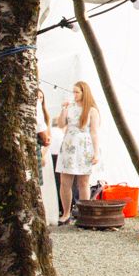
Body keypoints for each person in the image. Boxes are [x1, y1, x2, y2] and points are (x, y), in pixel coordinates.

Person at [53, 80, 101, 224]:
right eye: (73, 92)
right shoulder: (70, 107)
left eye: (77, 92)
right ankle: (66, 212)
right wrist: (63, 109)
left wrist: (96, 152)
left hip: (84, 145)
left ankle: (83, 213)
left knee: (83, 181)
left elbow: (94, 132)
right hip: (69, 143)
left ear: (83, 93)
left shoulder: (92, 110)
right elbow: (61, 124)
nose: (74, 94)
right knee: (65, 181)